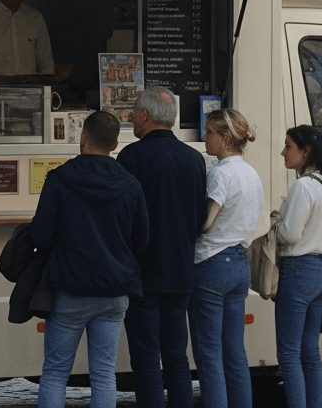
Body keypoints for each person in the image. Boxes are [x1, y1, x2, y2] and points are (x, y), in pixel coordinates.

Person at [31, 110, 148, 408]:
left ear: (82, 139)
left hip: (70, 290)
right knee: (104, 375)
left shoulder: (59, 180)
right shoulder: (131, 185)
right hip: (114, 293)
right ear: (115, 144)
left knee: (56, 373)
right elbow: (142, 242)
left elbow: (41, 236)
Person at [115, 87, 208, 408]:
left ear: (145, 115)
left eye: (133, 113)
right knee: (177, 358)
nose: (130, 120)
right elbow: (200, 220)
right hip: (181, 272)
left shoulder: (131, 157)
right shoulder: (195, 160)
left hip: (142, 274)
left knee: (146, 360)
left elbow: (123, 219)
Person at [189, 108, 264, 408]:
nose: (204, 138)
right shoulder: (251, 173)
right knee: (235, 352)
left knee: (208, 354)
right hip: (239, 263)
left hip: (212, 262)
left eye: (208, 132)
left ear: (224, 137)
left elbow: (207, 221)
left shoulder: (220, 173)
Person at [270, 125, 322, 408]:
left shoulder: (302, 186)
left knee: (288, 354)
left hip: (298, 271)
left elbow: (289, 235)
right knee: (310, 351)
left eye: (288, 146)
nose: (283, 152)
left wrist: (277, 221)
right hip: (320, 271)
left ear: (305, 151)